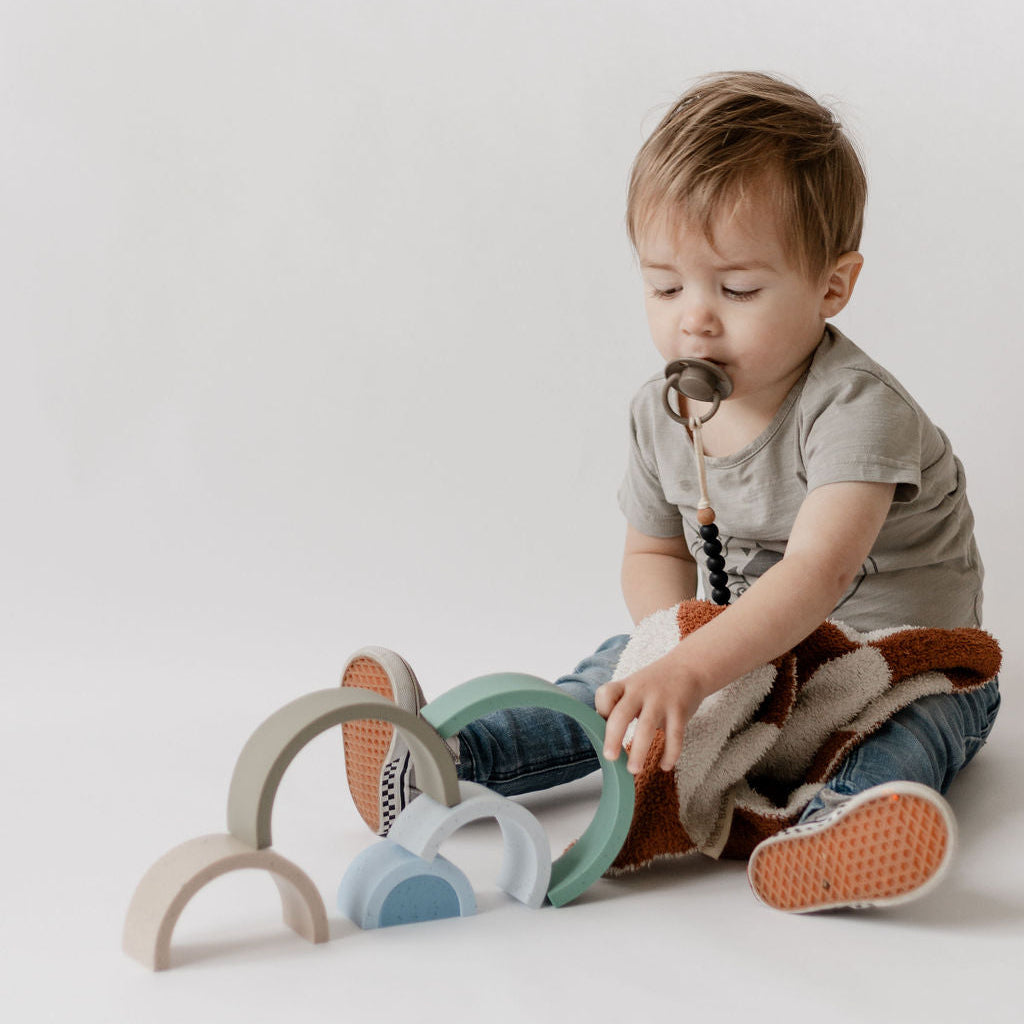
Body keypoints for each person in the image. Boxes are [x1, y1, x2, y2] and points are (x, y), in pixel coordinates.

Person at [340, 71, 1000, 912]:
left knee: (915, 723)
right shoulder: (664, 411)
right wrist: (667, 651)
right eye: (665, 286)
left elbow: (819, 575)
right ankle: (442, 759)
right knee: (611, 681)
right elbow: (652, 549)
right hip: (740, 657)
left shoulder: (857, 410)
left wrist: (694, 666)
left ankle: (840, 828)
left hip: (889, 656)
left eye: (737, 289)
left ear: (832, 288)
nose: (695, 318)